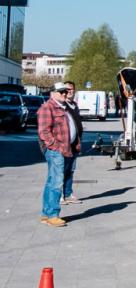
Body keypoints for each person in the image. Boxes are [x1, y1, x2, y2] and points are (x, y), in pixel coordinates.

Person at [36, 83, 82, 227]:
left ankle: (46, 213)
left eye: (66, 91)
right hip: (56, 150)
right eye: (61, 91)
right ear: (52, 93)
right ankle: (53, 215)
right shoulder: (47, 107)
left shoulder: (63, 106)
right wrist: (55, 146)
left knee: (51, 181)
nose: (65, 94)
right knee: (57, 182)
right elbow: (44, 131)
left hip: (65, 148)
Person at [59, 81, 84, 206]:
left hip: (75, 143)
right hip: (64, 144)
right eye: (67, 89)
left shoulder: (74, 105)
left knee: (71, 170)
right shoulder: (62, 105)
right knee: (62, 170)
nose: (69, 92)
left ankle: (68, 193)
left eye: (71, 89)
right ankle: (60, 195)